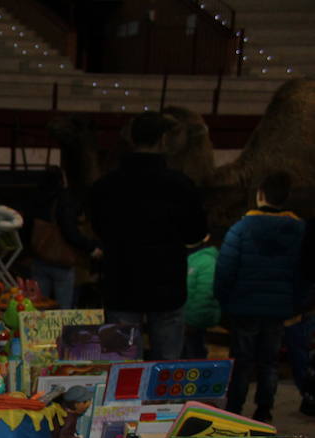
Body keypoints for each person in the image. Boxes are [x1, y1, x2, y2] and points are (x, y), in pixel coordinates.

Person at [88, 112, 209, 360]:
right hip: (167, 286)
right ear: (163, 139)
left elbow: (98, 229)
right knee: (166, 371)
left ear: (131, 139)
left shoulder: (106, 186)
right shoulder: (181, 185)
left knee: (122, 371)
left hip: (121, 284)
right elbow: (196, 232)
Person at [215, 171, 308, 423]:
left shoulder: (241, 228)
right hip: (278, 309)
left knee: (242, 362)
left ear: (259, 195)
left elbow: (225, 269)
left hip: (243, 308)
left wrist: (224, 301)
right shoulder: (299, 230)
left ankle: (234, 410)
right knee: (269, 362)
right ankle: (264, 410)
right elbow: (304, 272)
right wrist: (297, 304)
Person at [30, 166, 100, 308]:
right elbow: (70, 232)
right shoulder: (63, 200)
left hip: (39, 257)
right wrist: (91, 247)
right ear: (62, 180)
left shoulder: (36, 198)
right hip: (61, 260)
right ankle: (61, 330)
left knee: (38, 305)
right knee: (63, 309)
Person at [182, 238, 220, 359]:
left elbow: (205, 295)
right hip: (182, 319)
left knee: (193, 353)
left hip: (192, 322)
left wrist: (193, 321)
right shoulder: (191, 257)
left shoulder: (207, 261)